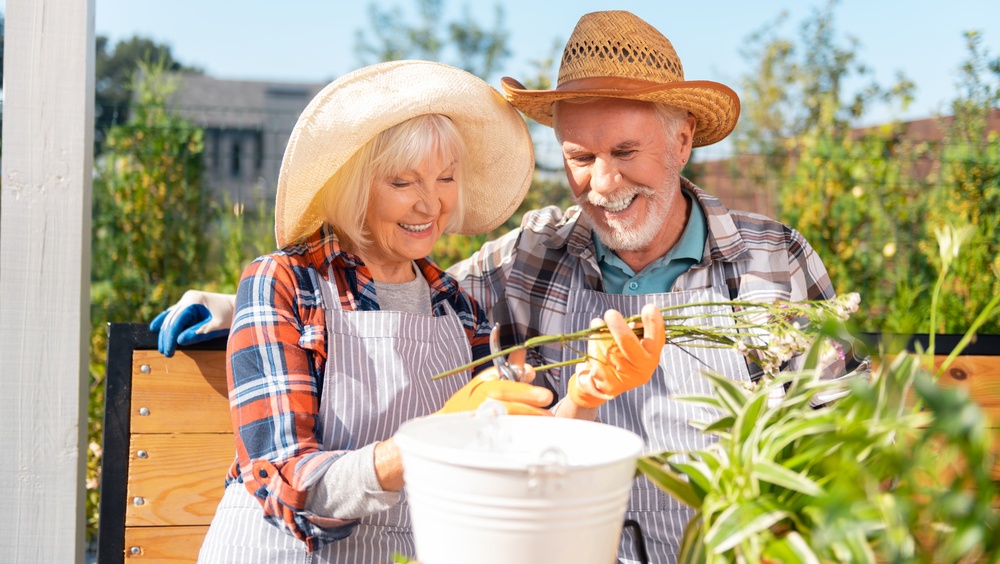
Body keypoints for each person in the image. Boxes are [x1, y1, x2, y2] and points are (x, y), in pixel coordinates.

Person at [154, 11, 849, 564]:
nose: (604, 183)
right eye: (581, 157)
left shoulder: (771, 260)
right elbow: (372, 291)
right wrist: (239, 308)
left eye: (625, 152)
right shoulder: (532, 257)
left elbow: (842, 438)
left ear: (682, 140)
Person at [191, 60, 656, 563]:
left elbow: (519, 461)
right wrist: (433, 437)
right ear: (354, 185)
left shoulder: (459, 308)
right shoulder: (286, 283)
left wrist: (586, 395)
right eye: (402, 183)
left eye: (446, 178)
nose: (430, 205)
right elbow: (286, 484)